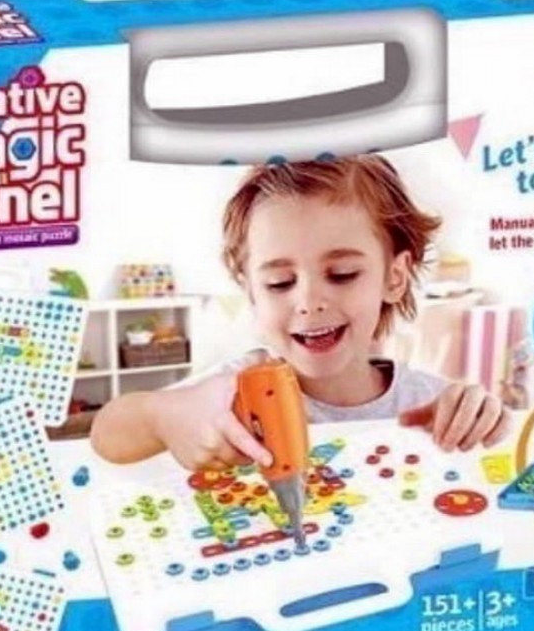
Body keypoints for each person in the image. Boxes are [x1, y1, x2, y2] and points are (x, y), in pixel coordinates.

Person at [90, 155, 509, 470]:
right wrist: (162, 417)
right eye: (280, 282)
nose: (309, 301)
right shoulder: (228, 394)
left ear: (394, 277)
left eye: (342, 274)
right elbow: (106, 433)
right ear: (250, 288)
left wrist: (483, 419)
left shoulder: (428, 403)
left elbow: (503, 455)